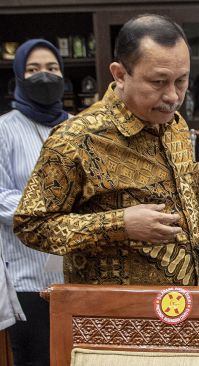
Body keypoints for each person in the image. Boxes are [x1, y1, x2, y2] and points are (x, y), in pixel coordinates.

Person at [12, 14, 199, 292]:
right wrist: (119, 225)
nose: (172, 96)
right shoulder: (78, 138)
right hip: (120, 319)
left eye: (181, 80)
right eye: (158, 82)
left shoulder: (175, 126)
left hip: (188, 304)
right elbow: (31, 226)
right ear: (120, 74)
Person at [0, 39, 67, 366]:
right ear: (19, 76)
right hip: (27, 277)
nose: (45, 75)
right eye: (34, 69)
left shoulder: (76, 128)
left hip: (77, 276)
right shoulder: (4, 130)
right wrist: (48, 207)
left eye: (52, 69)